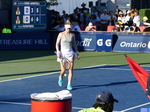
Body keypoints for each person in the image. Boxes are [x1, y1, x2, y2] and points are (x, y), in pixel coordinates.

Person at [55, 20, 80, 90]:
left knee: (71, 69)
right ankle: (60, 77)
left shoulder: (72, 35)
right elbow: (57, 44)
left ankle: (69, 84)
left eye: (70, 28)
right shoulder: (60, 34)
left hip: (70, 53)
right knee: (63, 70)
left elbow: (74, 44)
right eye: (68, 28)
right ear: (65, 28)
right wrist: (58, 52)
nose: (69, 29)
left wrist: (77, 53)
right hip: (62, 53)